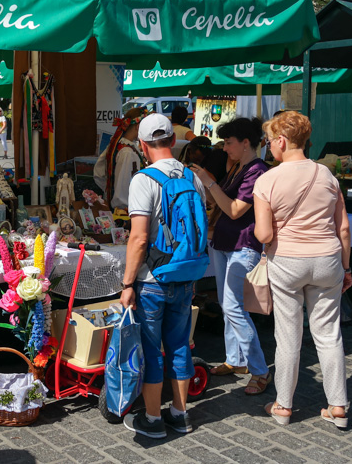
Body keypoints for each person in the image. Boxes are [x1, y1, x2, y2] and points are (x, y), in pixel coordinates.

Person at [252, 111, 352, 429]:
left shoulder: (267, 180)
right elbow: (343, 228)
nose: (269, 146)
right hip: (327, 259)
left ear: (282, 141)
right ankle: (338, 405)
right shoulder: (327, 176)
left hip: (288, 261)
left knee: (288, 337)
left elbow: (264, 235)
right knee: (328, 334)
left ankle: (283, 405)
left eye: (270, 141)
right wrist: (347, 267)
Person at [121, 113, 206, 439]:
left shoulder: (143, 179)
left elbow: (139, 238)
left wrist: (127, 283)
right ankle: (180, 415)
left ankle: (153, 419)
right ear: (173, 140)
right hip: (185, 274)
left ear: (143, 145)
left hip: (152, 280)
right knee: (180, 345)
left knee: (151, 349)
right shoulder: (192, 176)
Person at [189, 118, 271, 395]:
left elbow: (234, 210)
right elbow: (219, 201)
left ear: (246, 143)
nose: (224, 148)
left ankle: (260, 370)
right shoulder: (240, 168)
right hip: (226, 243)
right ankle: (236, 360)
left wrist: (209, 182)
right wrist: (206, 184)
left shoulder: (257, 171)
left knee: (234, 307)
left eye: (228, 143)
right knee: (228, 305)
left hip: (242, 245)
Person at [93, 108, 146, 210]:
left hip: (117, 207)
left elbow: (98, 174)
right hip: (125, 211)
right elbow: (123, 191)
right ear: (138, 126)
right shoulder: (127, 152)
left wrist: (110, 191)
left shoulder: (116, 145)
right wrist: (119, 201)